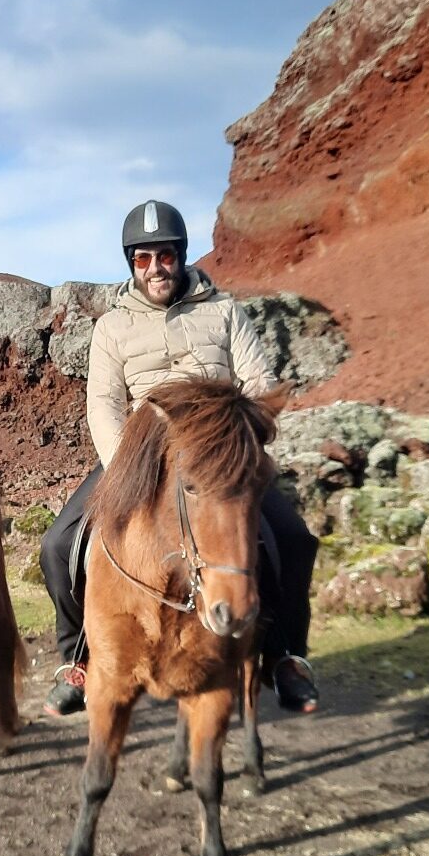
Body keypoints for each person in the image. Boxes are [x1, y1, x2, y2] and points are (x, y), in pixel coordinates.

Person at [39, 199, 319, 715]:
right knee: (58, 545)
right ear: (131, 264)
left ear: (181, 256)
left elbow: (258, 384)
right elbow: (102, 404)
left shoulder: (224, 311)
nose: (155, 269)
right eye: (142, 259)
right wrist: (127, 464)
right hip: (138, 457)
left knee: (294, 540)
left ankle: (286, 657)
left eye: (164, 256)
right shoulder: (112, 328)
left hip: (215, 460)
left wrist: (240, 440)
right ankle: (76, 660)